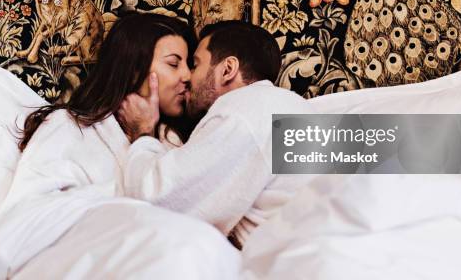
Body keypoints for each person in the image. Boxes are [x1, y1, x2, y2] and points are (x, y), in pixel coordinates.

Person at [119, 20, 315, 249]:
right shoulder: (290, 106)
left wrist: (142, 131)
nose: (188, 77)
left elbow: (158, 203)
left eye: (195, 64)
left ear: (227, 70)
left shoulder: (242, 112)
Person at [2, 12, 196, 209]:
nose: (188, 75)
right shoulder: (67, 126)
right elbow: (28, 208)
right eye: (174, 63)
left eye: (189, 65)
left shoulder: (173, 141)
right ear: (134, 68)